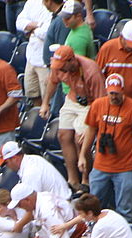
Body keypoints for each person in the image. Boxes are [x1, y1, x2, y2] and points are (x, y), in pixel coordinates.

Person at [78, 73, 132, 222]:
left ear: (122, 90)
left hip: (125, 167)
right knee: (94, 208)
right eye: (111, 93)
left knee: (125, 211)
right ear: (106, 91)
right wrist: (82, 155)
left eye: (117, 93)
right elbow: (91, 130)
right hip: (100, 165)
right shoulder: (98, 104)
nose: (113, 96)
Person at [40, 45, 105, 192]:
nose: (60, 70)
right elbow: (53, 82)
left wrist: (91, 126)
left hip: (91, 104)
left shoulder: (91, 71)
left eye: (63, 67)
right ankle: (72, 180)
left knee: (80, 138)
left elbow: (101, 102)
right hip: (72, 99)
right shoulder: (58, 68)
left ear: (71, 61)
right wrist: (45, 103)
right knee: (63, 135)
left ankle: (86, 180)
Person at [96, 20, 132, 105]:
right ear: (122, 37)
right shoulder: (107, 48)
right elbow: (98, 78)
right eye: (130, 44)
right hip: (111, 103)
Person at [15, 0, 55, 103]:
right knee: (33, 96)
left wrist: (31, 29)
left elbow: (46, 33)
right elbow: (19, 23)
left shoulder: (57, 2)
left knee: (47, 100)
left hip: (45, 62)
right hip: (31, 58)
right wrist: (38, 25)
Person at [0, 141, 72, 201]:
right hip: (58, 202)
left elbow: (32, 204)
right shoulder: (33, 159)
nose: (6, 166)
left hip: (61, 208)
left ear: (15, 158)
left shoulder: (30, 172)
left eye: (6, 163)